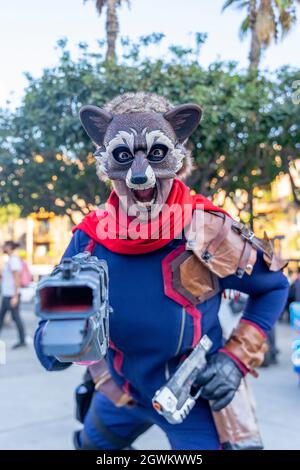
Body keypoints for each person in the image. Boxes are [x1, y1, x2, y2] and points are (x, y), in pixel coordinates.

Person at [34, 92, 289, 450]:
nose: (141, 177)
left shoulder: (208, 229)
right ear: (106, 163)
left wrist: (234, 360)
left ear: (177, 157)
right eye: (123, 157)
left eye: (156, 154)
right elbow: (54, 327)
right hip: (119, 392)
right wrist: (55, 343)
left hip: (190, 397)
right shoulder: (89, 239)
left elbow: (274, 286)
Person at [0, 241, 26, 348]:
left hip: (11, 295)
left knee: (16, 318)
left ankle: (22, 341)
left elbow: (17, 278)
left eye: (4, 246)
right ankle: (22, 340)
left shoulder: (14, 260)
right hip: (7, 294)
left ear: (9, 247)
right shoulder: (10, 260)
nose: (2, 248)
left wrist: (15, 296)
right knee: (2, 318)